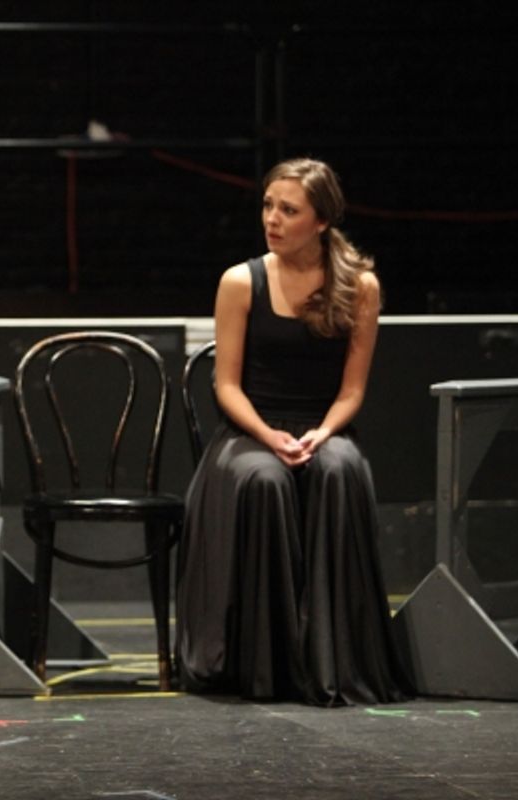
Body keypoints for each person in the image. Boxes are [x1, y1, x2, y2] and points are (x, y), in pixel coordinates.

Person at [174, 157, 414, 705]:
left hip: (321, 428)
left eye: (288, 210)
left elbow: (352, 391)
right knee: (264, 481)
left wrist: (323, 433)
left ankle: (335, 662)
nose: (272, 219)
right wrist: (268, 434)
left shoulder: (361, 287)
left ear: (322, 220)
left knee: (341, 470)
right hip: (249, 433)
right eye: (268, 206)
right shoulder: (241, 281)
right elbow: (226, 386)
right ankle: (266, 668)